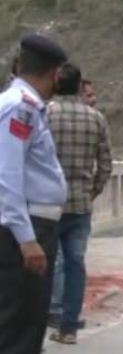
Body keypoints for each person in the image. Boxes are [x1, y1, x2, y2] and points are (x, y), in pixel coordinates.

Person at [0, 34, 69, 354]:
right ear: (55, 74)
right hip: (27, 228)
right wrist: (27, 239)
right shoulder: (20, 108)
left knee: (27, 321)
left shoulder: (25, 106)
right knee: (20, 326)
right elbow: (7, 175)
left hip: (33, 225)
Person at [46, 64, 112, 345]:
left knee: (50, 263)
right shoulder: (96, 118)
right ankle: (69, 328)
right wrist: (90, 192)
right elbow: (106, 165)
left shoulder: (45, 114)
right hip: (80, 204)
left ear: (58, 82)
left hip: (47, 203)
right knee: (76, 263)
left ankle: (49, 316)